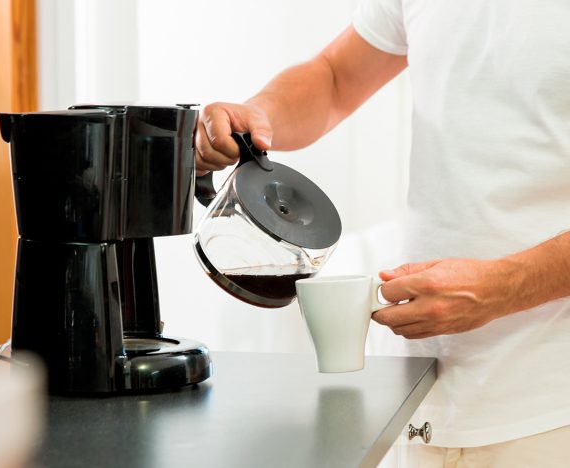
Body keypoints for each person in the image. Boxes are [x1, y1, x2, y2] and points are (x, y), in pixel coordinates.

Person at [195, 0, 570, 466]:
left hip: (550, 411)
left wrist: (503, 287)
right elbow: (335, 78)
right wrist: (258, 113)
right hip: (419, 404)